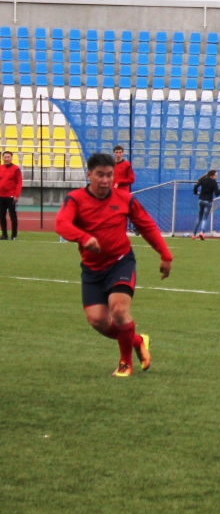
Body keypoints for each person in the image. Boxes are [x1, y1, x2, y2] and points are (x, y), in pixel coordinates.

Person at [54, 152, 173, 377]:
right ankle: (138, 341)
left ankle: (125, 364)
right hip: (91, 269)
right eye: (100, 175)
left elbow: (147, 226)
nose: (105, 180)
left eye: (109, 175)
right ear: (89, 174)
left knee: (119, 310)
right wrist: (83, 238)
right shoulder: (75, 199)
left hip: (120, 263)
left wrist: (165, 255)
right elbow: (61, 223)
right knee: (97, 320)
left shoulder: (124, 199)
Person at [191, 169, 220, 240]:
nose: (216, 177)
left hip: (201, 200)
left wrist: (196, 193)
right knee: (205, 218)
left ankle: (194, 234)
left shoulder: (203, 180)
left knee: (199, 217)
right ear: (211, 176)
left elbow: (195, 186)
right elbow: (216, 193)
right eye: (215, 176)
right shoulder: (214, 183)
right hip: (208, 201)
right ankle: (202, 232)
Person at [0, 151, 22, 240]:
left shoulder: (16, 169)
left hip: (11, 196)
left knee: (12, 216)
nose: (6, 159)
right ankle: (4, 235)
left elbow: (19, 183)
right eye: (5, 157)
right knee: (1, 216)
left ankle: (14, 235)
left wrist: (16, 195)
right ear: (2, 158)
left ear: (11, 158)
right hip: (1, 196)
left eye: (8, 157)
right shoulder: (1, 168)